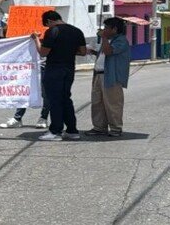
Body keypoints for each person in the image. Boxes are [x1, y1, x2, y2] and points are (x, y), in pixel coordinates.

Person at [31, 10, 87, 141]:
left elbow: (43, 53)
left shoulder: (53, 31)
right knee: (66, 98)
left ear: (49, 21)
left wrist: (36, 40)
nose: (48, 27)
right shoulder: (77, 31)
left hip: (54, 69)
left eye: (47, 25)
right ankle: (72, 130)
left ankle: (55, 131)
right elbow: (83, 52)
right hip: (69, 69)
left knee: (54, 99)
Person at [85, 17, 130, 137]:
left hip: (111, 76)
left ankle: (116, 128)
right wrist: (93, 51)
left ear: (114, 29)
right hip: (99, 74)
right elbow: (103, 54)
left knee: (112, 103)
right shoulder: (108, 40)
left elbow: (109, 52)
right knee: (97, 102)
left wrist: (104, 37)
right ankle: (99, 127)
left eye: (106, 28)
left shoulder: (121, 41)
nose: (104, 30)